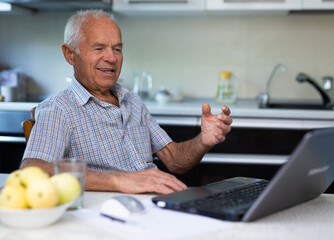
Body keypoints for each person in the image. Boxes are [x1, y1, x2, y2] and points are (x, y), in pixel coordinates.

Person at [21, 10, 232, 194]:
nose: (111, 58)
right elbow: (32, 171)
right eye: (99, 48)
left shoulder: (132, 100)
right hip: (108, 214)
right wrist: (119, 179)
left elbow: (175, 160)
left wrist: (203, 141)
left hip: (155, 205)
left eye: (117, 49)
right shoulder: (59, 109)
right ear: (70, 55)